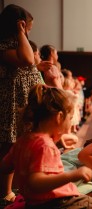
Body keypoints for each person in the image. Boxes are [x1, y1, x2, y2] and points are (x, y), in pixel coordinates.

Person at [0, 84, 92, 209]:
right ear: (59, 117)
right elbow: (36, 182)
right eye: (70, 118)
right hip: (55, 201)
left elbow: (5, 166)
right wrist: (74, 174)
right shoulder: (45, 146)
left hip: (32, 201)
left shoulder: (22, 141)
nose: (71, 122)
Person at [0, 4, 48, 180]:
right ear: (18, 24)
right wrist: (21, 33)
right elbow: (27, 59)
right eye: (27, 27)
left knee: (17, 146)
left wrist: (37, 67)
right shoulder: (4, 44)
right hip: (11, 103)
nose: (28, 32)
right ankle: (5, 194)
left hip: (20, 101)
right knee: (9, 148)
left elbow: (26, 64)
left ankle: (14, 188)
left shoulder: (16, 43)